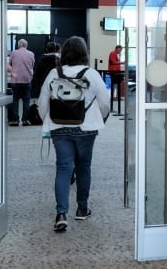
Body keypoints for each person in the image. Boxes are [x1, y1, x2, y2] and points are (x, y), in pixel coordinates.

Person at [37, 36, 109, 233]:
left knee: (63, 169)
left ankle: (61, 213)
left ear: (65, 53)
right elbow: (104, 103)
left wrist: (49, 121)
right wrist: (98, 119)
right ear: (85, 54)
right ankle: (82, 208)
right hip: (86, 129)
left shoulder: (54, 73)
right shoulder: (92, 74)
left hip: (60, 128)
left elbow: (42, 103)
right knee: (83, 167)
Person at [8, 38, 35, 126]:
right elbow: (32, 65)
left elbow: (10, 63)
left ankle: (15, 120)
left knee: (15, 100)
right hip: (27, 80)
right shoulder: (31, 54)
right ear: (26, 46)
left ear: (18, 45)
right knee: (26, 100)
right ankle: (25, 120)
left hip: (15, 80)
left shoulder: (13, 53)